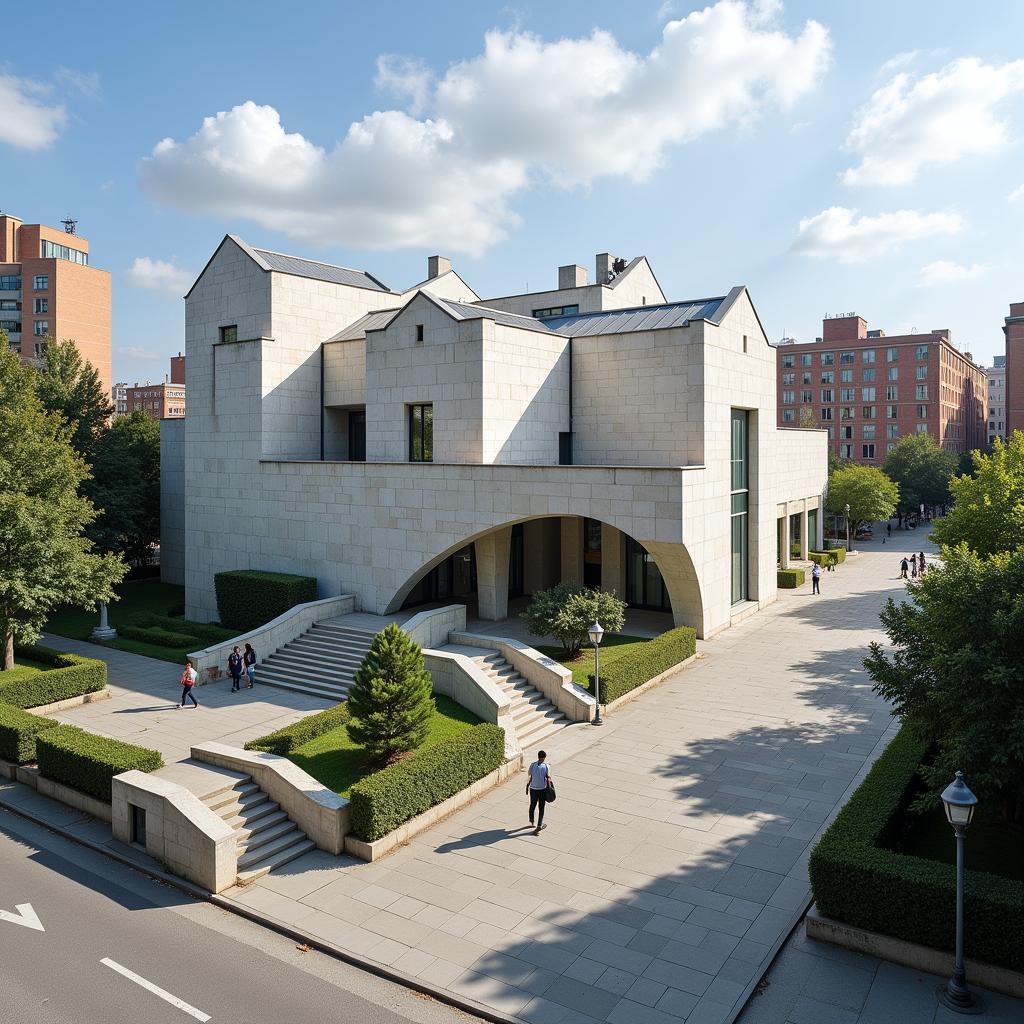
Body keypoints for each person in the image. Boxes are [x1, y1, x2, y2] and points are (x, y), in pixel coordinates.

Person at [527, 750, 551, 834]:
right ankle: (539, 825)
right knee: (541, 807)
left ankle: (531, 819)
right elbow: (548, 776)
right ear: (544, 757)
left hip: (533, 789)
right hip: (542, 790)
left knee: (532, 804)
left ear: (538, 757)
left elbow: (529, 774)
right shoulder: (546, 766)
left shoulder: (532, 765)